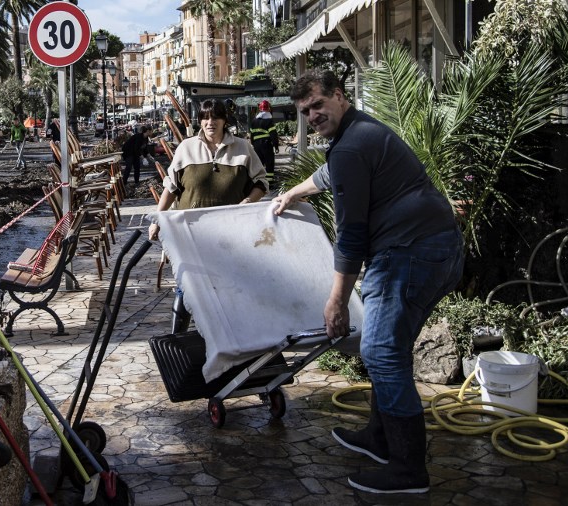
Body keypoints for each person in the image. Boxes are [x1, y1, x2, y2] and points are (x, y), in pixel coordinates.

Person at [273, 70, 463, 495]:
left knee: (379, 351)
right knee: (389, 351)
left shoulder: (352, 145)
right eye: (305, 112)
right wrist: (295, 192)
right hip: (436, 248)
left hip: (411, 254)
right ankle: (380, 440)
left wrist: (336, 300)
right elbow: (330, 174)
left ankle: (408, 469)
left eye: (318, 105)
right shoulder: (360, 131)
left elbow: (352, 234)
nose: (313, 116)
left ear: (339, 96)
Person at [149, 99, 268, 333]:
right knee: (187, 286)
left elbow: (262, 182)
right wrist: (158, 219)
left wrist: (247, 202)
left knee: (229, 287)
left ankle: (232, 337)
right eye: (205, 117)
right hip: (190, 233)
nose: (210, 122)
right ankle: (178, 338)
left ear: (225, 120)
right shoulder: (187, 148)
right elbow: (171, 187)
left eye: (215, 117)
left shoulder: (243, 148)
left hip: (231, 234)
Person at [250, 100, 279, 187]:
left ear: (260, 109)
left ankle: (259, 182)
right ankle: (269, 183)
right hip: (266, 145)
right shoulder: (269, 120)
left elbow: (252, 135)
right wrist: (276, 145)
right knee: (269, 163)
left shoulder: (254, 121)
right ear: (268, 109)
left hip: (256, 146)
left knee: (259, 164)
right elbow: (273, 134)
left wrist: (253, 144)